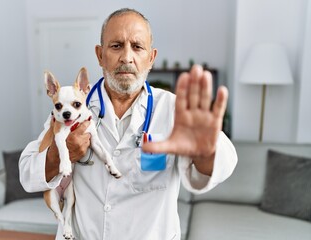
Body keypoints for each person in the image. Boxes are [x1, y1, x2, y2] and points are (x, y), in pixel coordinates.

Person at [19, 8, 237, 240]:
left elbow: (223, 164)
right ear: (100, 55)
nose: (126, 57)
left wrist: (205, 151)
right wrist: (59, 155)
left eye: (137, 46)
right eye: (116, 46)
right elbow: (26, 174)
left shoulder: (174, 110)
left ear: (151, 58)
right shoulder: (71, 108)